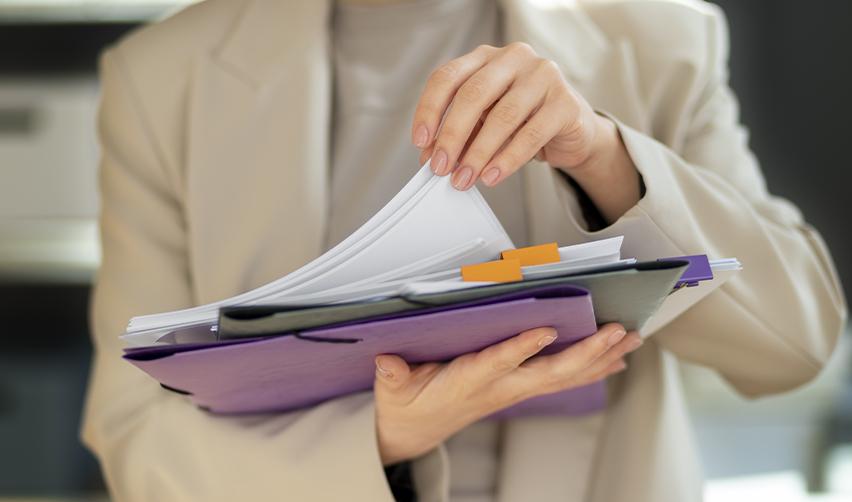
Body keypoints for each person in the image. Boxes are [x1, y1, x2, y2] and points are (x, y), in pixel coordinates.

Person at [81, 0, 847, 500]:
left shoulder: (658, 37)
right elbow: (136, 443)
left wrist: (603, 156)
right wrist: (384, 438)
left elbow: (796, 347)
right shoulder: (161, 81)